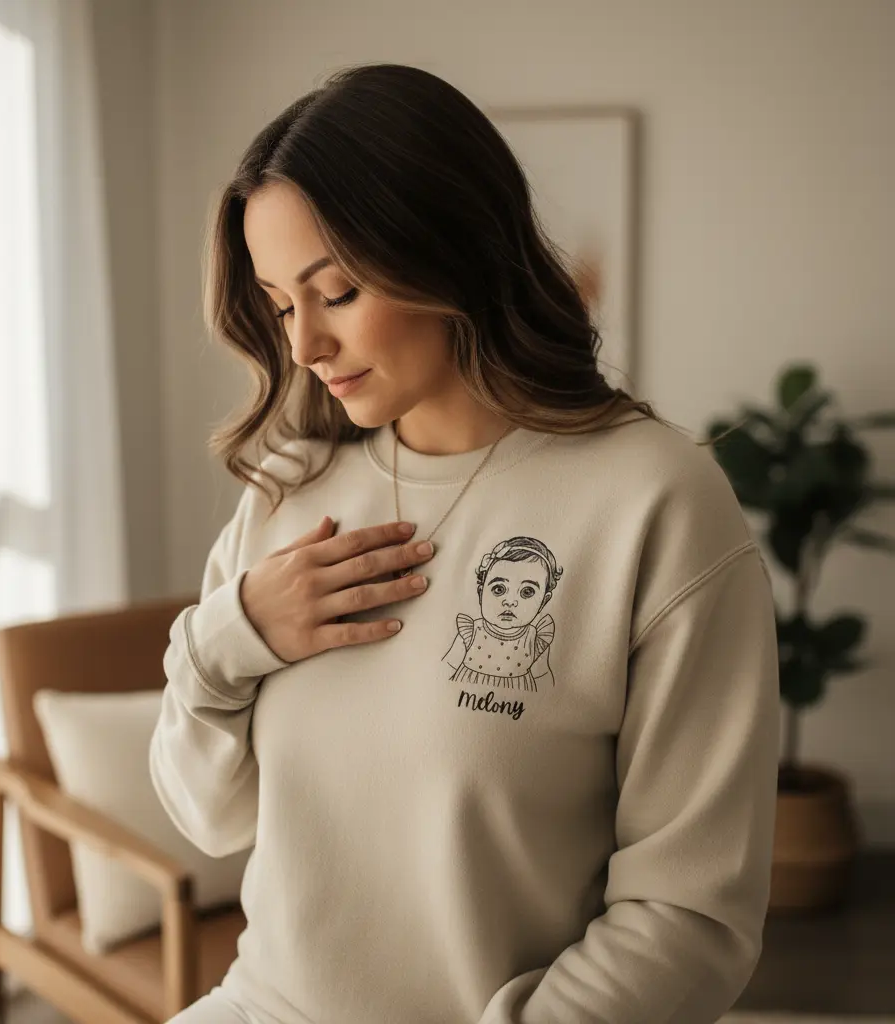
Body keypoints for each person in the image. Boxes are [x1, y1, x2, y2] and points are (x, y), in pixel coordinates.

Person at [149, 62, 780, 1024]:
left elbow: (691, 913)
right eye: (281, 304)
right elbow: (207, 814)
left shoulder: (656, 502)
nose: (305, 344)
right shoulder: (292, 488)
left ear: (447, 249)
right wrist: (230, 640)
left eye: (339, 291)